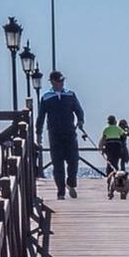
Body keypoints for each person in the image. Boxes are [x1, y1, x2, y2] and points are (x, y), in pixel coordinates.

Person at [35, 71, 85, 199]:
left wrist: (80, 120)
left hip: (69, 132)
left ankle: (71, 183)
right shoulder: (46, 97)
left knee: (73, 160)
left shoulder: (70, 94)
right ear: (52, 82)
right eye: (58, 81)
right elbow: (41, 116)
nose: (60, 83)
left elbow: (78, 110)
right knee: (57, 164)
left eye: (62, 81)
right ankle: (61, 192)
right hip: (54, 134)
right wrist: (38, 133)